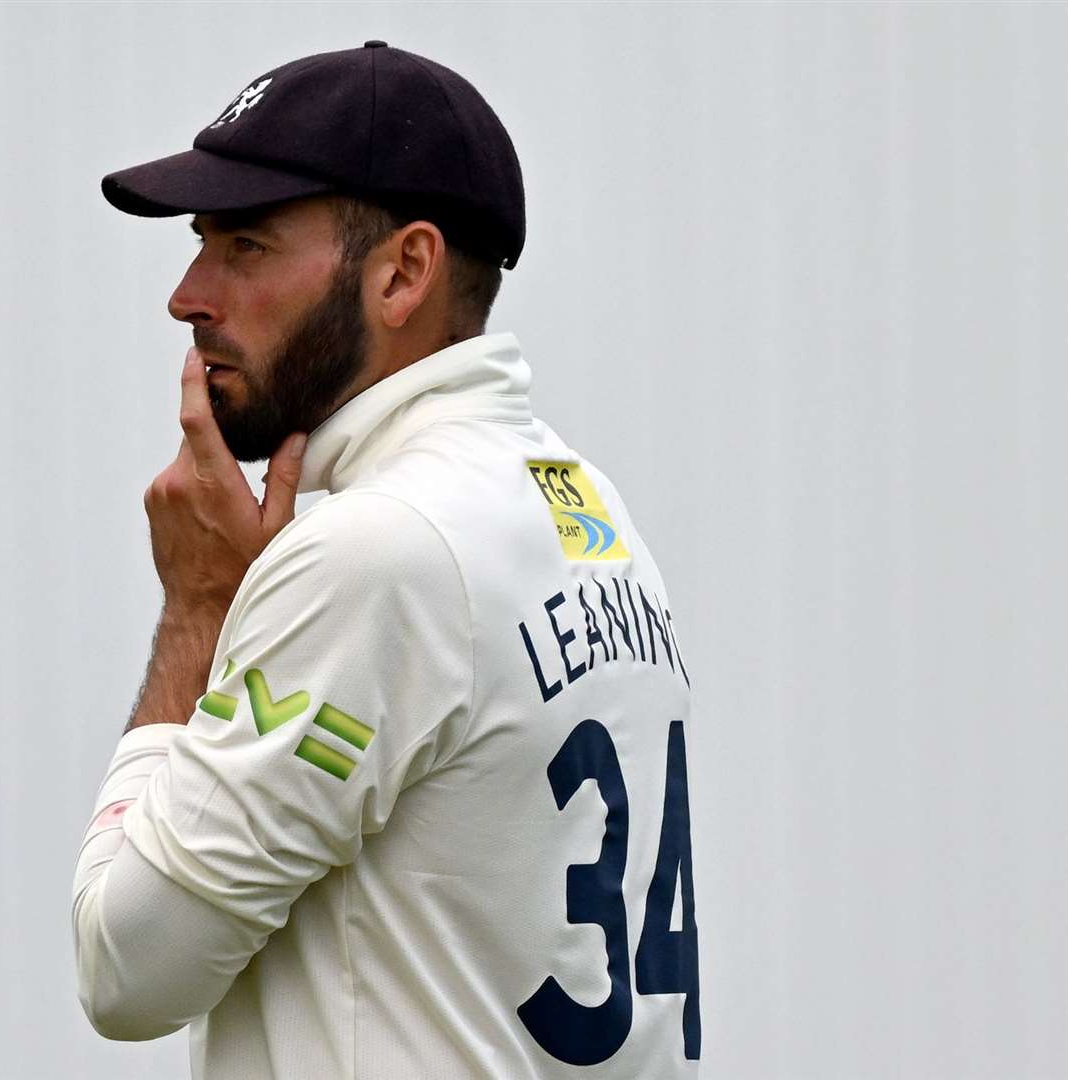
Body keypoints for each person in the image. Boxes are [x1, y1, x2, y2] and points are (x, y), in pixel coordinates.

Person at [71, 41, 701, 1079]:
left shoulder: (374, 552)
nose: (188, 295)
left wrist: (199, 612)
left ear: (403, 272)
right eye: (199, 243)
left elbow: (126, 971)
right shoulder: (584, 504)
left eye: (247, 244)